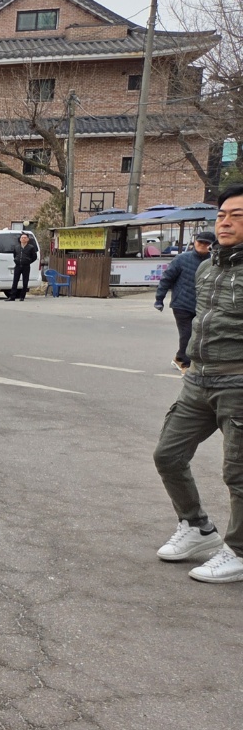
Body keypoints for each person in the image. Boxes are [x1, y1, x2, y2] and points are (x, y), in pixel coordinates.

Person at [154, 188, 243, 584]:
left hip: (238, 380)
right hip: (200, 376)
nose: (225, 222)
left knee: (239, 473)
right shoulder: (208, 266)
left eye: (237, 216)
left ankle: (239, 551)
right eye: (222, 215)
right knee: (168, 455)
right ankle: (197, 527)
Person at [155, 229, 215, 372]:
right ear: (195, 242)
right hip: (181, 304)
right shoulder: (181, 259)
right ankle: (184, 362)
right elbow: (167, 278)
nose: (203, 245)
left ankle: (181, 358)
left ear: (212, 246)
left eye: (207, 243)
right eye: (200, 242)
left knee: (199, 335)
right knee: (187, 334)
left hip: (202, 305)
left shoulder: (213, 261)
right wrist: (159, 299)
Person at [9, 232, 38, 301]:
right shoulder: (17, 247)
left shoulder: (31, 247)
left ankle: (22, 296)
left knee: (25, 282)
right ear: (20, 239)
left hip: (26, 266)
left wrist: (28, 261)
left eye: (25, 238)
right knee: (15, 281)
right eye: (22, 238)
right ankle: (12, 296)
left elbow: (34, 257)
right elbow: (15, 255)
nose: (23, 239)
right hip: (18, 266)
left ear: (27, 239)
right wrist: (16, 260)